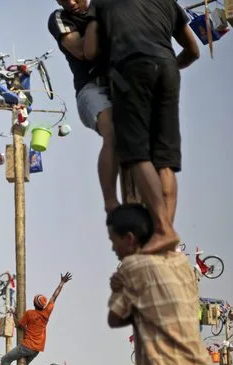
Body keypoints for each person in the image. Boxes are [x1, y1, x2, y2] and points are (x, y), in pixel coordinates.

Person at [85, 0, 199, 253]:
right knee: (164, 159)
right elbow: (193, 50)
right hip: (169, 68)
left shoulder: (102, 2)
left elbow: (90, 51)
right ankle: (166, 232)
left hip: (131, 68)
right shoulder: (167, 2)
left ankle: (162, 229)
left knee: (135, 151)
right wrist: (165, 66)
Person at [106, 204, 217, 365]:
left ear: (129, 239)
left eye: (113, 240)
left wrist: (119, 286)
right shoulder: (180, 263)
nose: (112, 248)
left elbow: (114, 317)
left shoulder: (134, 266)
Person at [48, 0, 118, 213]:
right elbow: (81, 50)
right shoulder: (60, 18)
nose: (70, 2)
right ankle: (111, 204)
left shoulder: (111, 7)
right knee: (113, 133)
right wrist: (96, 20)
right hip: (91, 88)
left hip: (122, 83)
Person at [0, 272, 73, 365]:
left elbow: (19, 326)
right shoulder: (47, 313)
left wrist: (15, 315)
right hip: (37, 349)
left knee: (5, 360)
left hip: (26, 347)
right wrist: (62, 283)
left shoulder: (29, 314)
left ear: (34, 304)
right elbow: (54, 297)